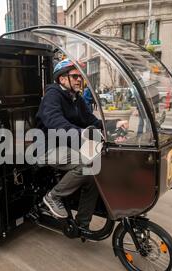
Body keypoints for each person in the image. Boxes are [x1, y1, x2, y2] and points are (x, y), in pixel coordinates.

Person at [36, 60, 126, 230]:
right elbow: (54, 120)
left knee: (95, 170)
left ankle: (82, 223)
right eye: (75, 76)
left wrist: (115, 124)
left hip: (70, 144)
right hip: (48, 147)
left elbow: (91, 120)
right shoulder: (52, 95)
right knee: (87, 162)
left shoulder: (76, 98)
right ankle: (53, 197)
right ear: (62, 79)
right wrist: (81, 132)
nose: (79, 80)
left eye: (80, 77)